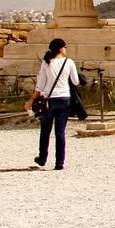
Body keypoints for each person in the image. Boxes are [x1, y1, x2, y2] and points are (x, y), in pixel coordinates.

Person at [27, 38, 79, 171]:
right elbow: (75, 81)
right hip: (64, 98)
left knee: (45, 131)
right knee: (60, 132)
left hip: (49, 100)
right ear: (61, 49)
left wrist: (31, 101)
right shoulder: (69, 62)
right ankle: (59, 163)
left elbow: (40, 85)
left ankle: (42, 158)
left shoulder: (46, 63)